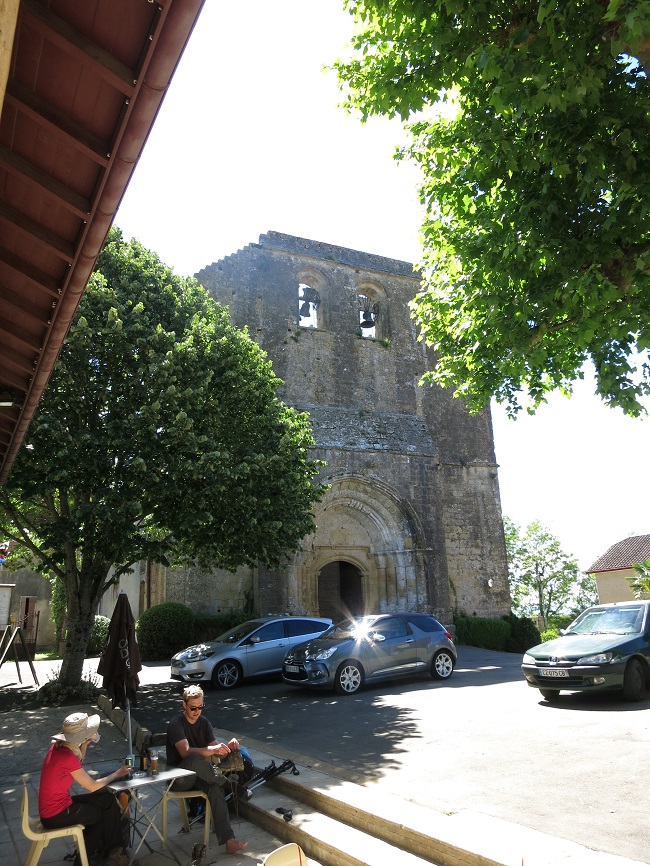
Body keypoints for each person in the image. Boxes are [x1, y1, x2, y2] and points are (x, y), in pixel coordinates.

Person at [38, 711, 132, 866]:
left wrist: (85, 744)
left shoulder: (59, 747)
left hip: (53, 808)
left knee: (107, 800)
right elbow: (92, 786)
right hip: (55, 814)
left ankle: (107, 851)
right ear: (79, 737)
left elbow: (77, 762)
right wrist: (117, 773)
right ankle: (108, 853)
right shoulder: (66, 756)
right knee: (102, 813)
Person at [165, 685, 248, 855]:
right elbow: (185, 752)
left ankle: (229, 841)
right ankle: (229, 785)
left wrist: (229, 748)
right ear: (184, 705)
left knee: (215, 789)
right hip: (178, 778)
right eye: (193, 708)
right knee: (193, 758)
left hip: (200, 776)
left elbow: (216, 752)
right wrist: (211, 750)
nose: (197, 711)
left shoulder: (204, 723)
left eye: (200, 707)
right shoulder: (176, 724)